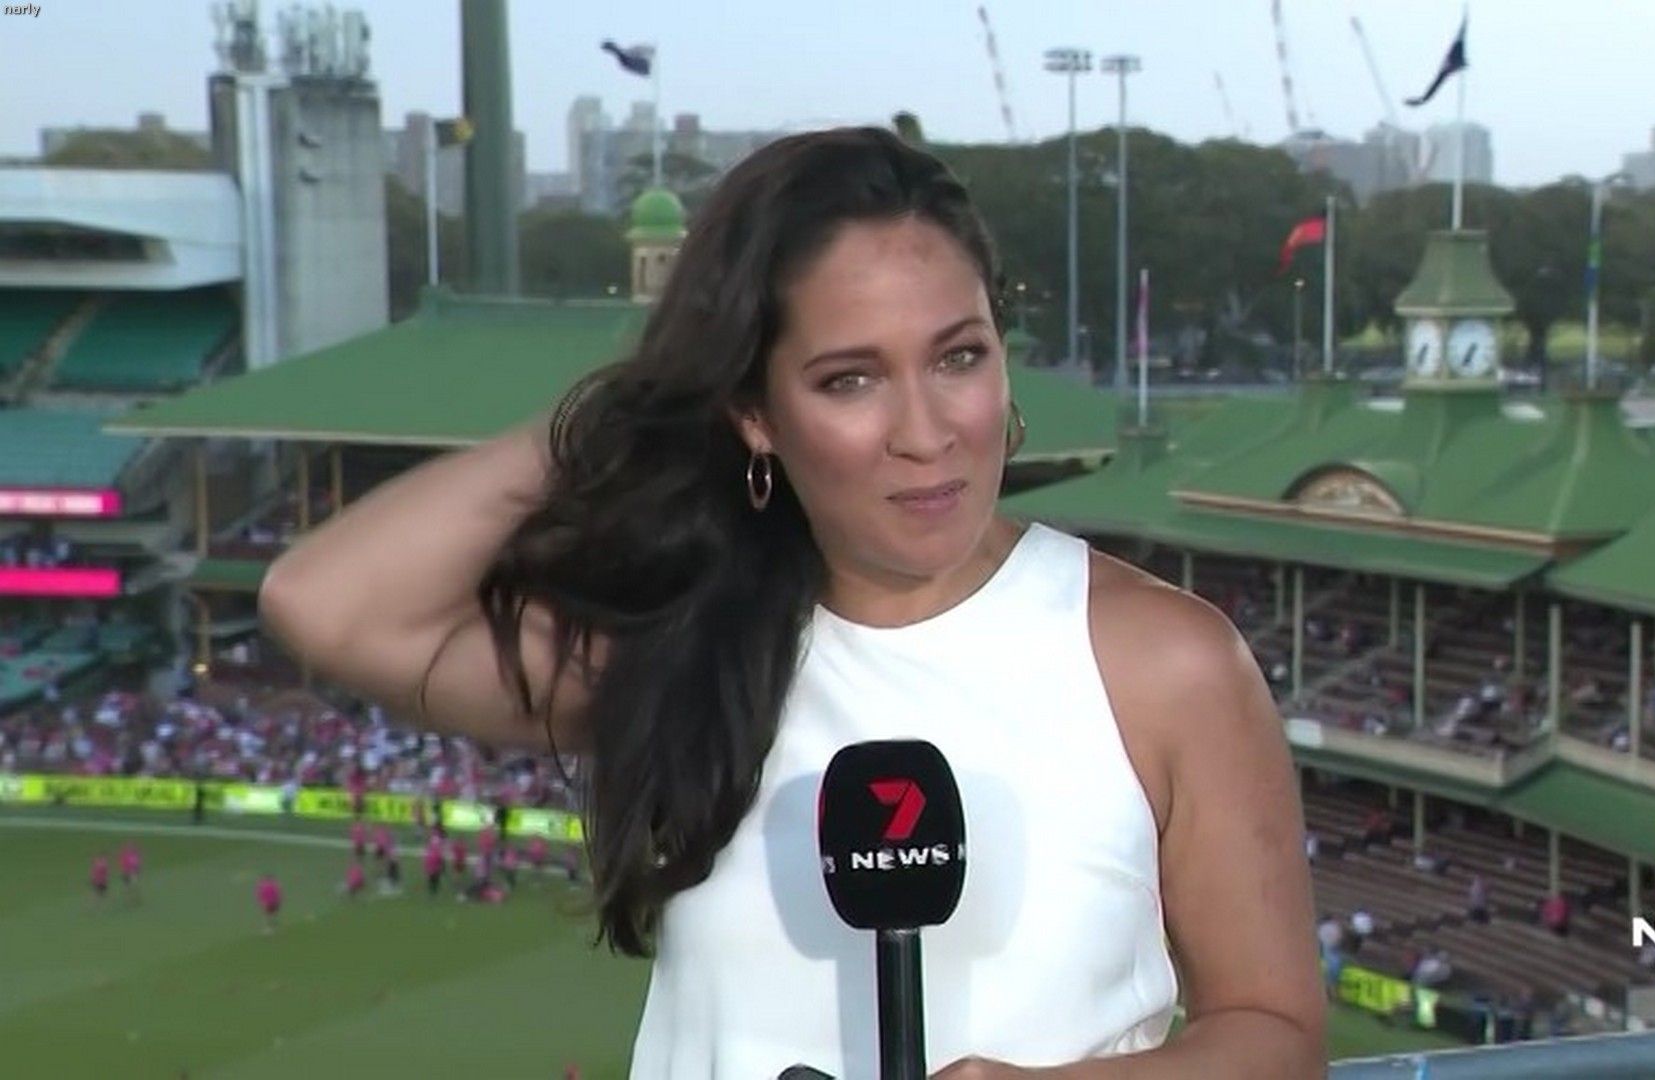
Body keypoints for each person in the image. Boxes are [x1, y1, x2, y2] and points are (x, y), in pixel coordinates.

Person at [257, 126, 1326, 1076]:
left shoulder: (1165, 664)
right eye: (849, 379)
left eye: (958, 356)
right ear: (755, 413)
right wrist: (649, 395)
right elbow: (326, 603)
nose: (925, 432)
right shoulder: (686, 642)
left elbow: (1274, 1034)